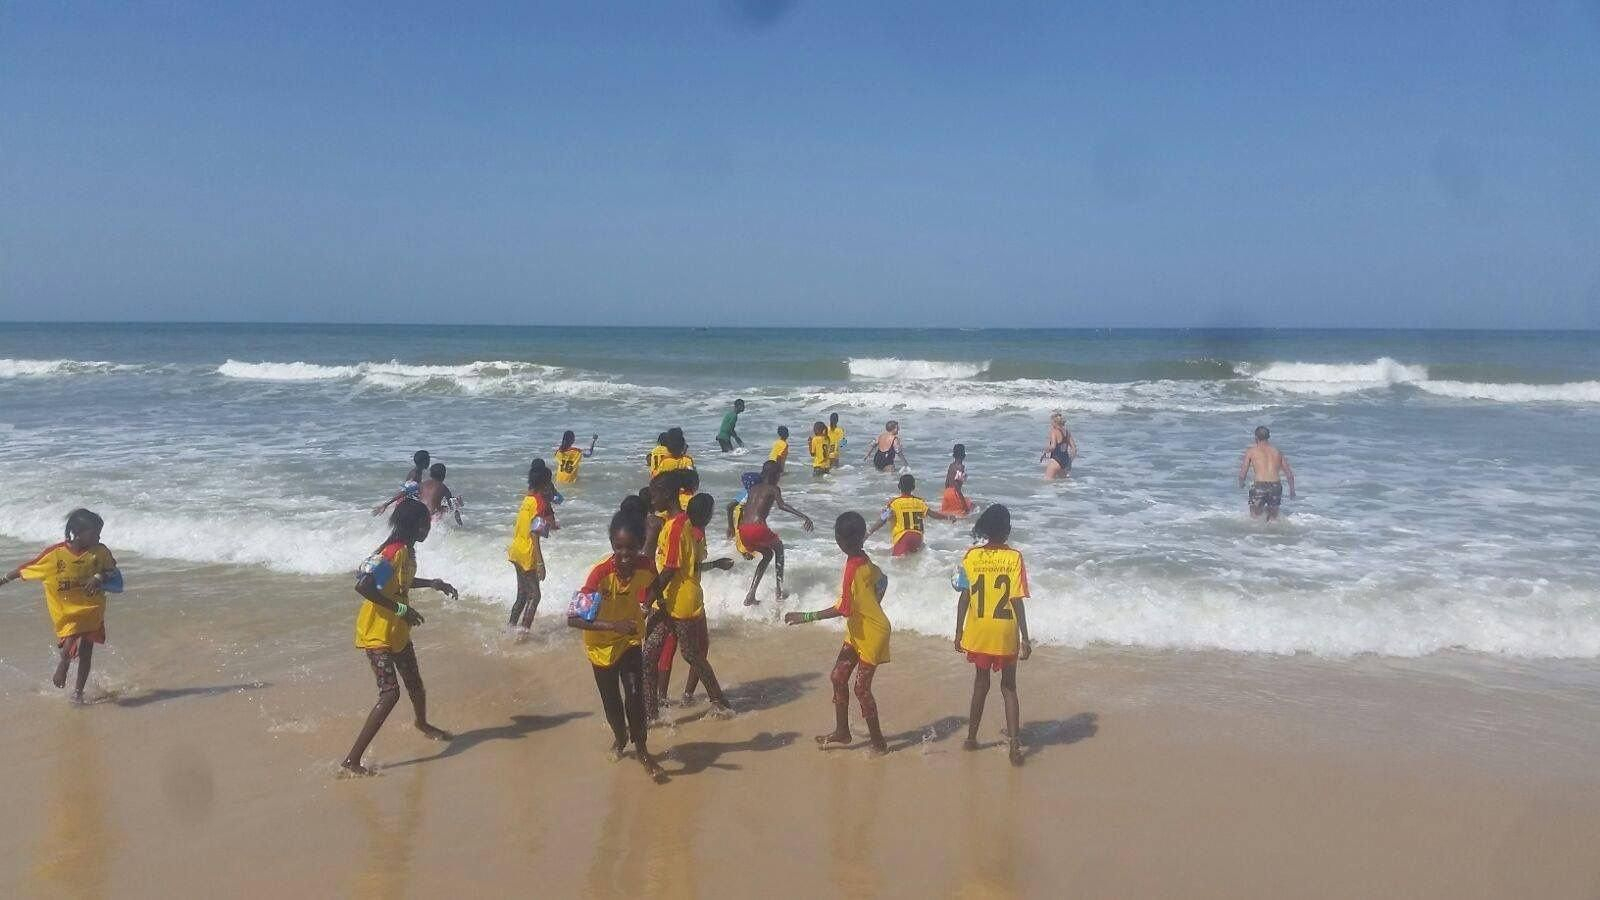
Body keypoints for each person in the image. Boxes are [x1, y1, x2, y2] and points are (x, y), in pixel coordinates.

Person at [342, 499, 457, 775]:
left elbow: (399, 581)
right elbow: (365, 586)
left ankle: (422, 723)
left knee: (415, 684)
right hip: (376, 632)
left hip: (397, 631)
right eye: (426, 522)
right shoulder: (393, 551)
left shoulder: (407, 551)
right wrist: (402, 609)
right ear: (417, 525)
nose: (429, 527)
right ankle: (352, 760)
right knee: (391, 693)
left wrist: (432, 584)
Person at [567, 513, 666, 782]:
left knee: (635, 695)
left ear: (640, 545)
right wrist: (613, 626)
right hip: (600, 646)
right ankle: (620, 738)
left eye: (631, 548)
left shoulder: (645, 565)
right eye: (619, 547)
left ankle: (644, 751)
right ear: (612, 544)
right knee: (612, 702)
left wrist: (649, 607)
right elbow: (573, 619)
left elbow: (655, 584)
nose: (625, 555)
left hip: (630, 640)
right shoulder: (599, 574)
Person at [784, 511, 891, 755]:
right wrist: (873, 604)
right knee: (837, 678)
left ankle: (879, 744)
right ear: (861, 538)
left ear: (838, 541)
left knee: (861, 689)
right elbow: (883, 579)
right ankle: (843, 732)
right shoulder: (863, 559)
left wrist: (805, 616)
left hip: (873, 634)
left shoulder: (854, 567)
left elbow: (842, 608)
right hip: (859, 630)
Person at [0, 509, 123, 703]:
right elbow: (30, 567)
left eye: (99, 533)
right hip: (67, 609)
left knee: (86, 651)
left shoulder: (100, 552)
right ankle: (64, 663)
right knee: (69, 640)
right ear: (77, 532)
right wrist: (4, 579)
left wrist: (99, 576)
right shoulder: (56, 554)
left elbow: (113, 571)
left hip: (92, 607)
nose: (98, 537)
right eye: (94, 533)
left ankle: (78, 693)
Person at [643, 493, 736, 721]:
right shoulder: (690, 531)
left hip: (676, 603)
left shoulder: (683, 528)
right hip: (677, 602)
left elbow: (672, 569)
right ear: (706, 515)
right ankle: (654, 711)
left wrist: (646, 600)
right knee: (683, 655)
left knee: (676, 655)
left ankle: (716, 701)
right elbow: (682, 568)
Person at [951, 504, 1031, 767]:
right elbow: (1017, 601)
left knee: (980, 685)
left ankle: (971, 738)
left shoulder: (971, 556)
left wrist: (958, 630)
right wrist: (1025, 637)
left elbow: (963, 597)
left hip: (980, 630)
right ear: (1007, 530)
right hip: (1005, 630)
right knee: (1009, 688)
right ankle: (1015, 747)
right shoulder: (1015, 558)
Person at [738, 460, 814, 605]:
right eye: (779, 475)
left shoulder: (753, 488)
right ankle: (779, 593)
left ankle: (751, 594)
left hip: (743, 530)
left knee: (767, 555)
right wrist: (804, 516)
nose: (779, 478)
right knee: (779, 549)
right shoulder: (773, 489)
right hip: (757, 528)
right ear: (774, 476)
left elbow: (745, 508)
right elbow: (782, 505)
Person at [507, 460, 559, 632]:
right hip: (528, 553)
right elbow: (536, 534)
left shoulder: (527, 499)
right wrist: (540, 563)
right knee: (535, 597)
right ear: (545, 483)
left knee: (522, 595)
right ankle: (523, 633)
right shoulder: (540, 503)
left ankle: (510, 628)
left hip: (516, 550)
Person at [867, 474, 953, 556]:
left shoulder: (894, 503)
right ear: (913, 487)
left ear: (899, 486)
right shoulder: (919, 502)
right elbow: (933, 514)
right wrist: (948, 517)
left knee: (897, 563)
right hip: (918, 537)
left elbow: (883, 519)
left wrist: (868, 533)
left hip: (903, 537)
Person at [1239, 426, 1297, 522]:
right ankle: (1272, 536)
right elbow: (1289, 474)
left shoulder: (1251, 451)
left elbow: (1242, 473)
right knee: (1273, 518)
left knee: (1255, 517)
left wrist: (1241, 483)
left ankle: (1255, 536)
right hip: (1275, 486)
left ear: (1256, 438)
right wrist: (1292, 490)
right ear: (1268, 437)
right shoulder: (1277, 452)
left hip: (1259, 485)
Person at [371, 450, 430, 516]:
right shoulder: (414, 474)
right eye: (428, 459)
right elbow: (404, 491)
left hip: (409, 502)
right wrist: (386, 504)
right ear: (423, 461)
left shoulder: (419, 472)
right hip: (406, 505)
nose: (429, 462)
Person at [726, 471, 763, 561]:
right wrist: (730, 526)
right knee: (740, 532)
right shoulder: (745, 493)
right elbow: (729, 506)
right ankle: (743, 552)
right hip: (741, 514)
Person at [1041, 412, 1077, 479]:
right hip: (1065, 461)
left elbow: (1053, 446)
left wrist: (1046, 450)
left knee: (1046, 483)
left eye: (1051, 421)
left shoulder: (1053, 431)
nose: (1051, 423)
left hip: (1056, 461)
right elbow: (1074, 449)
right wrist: (1070, 462)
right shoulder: (1067, 432)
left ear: (1055, 422)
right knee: (1062, 484)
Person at [941, 444, 974, 516]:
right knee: (971, 507)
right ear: (964, 455)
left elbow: (946, 483)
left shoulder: (951, 465)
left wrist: (947, 495)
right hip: (955, 493)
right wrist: (965, 506)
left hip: (947, 493)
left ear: (953, 455)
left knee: (947, 513)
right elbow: (957, 487)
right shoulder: (961, 468)